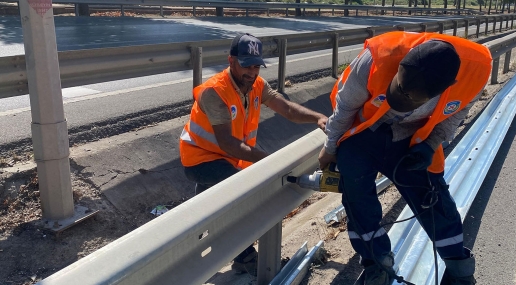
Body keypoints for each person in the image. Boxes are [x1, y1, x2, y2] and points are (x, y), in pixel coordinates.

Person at [317, 31, 492, 285]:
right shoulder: (376, 58)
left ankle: (459, 271)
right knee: (356, 196)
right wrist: (331, 147)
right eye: (401, 89)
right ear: (401, 66)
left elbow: (458, 110)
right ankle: (378, 265)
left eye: (413, 98)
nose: (404, 97)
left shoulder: (476, 70)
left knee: (433, 199)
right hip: (365, 133)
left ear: (445, 87)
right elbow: (345, 107)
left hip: (413, 139)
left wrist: (430, 146)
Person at [179, 33, 328, 276]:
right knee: (239, 200)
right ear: (231, 61)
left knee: (209, 210)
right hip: (200, 159)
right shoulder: (214, 92)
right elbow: (227, 142)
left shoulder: (257, 85)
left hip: (229, 158)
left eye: (257, 65)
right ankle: (246, 257)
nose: (252, 72)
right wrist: (269, 162)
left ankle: (193, 249)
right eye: (246, 65)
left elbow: (287, 108)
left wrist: (318, 117)